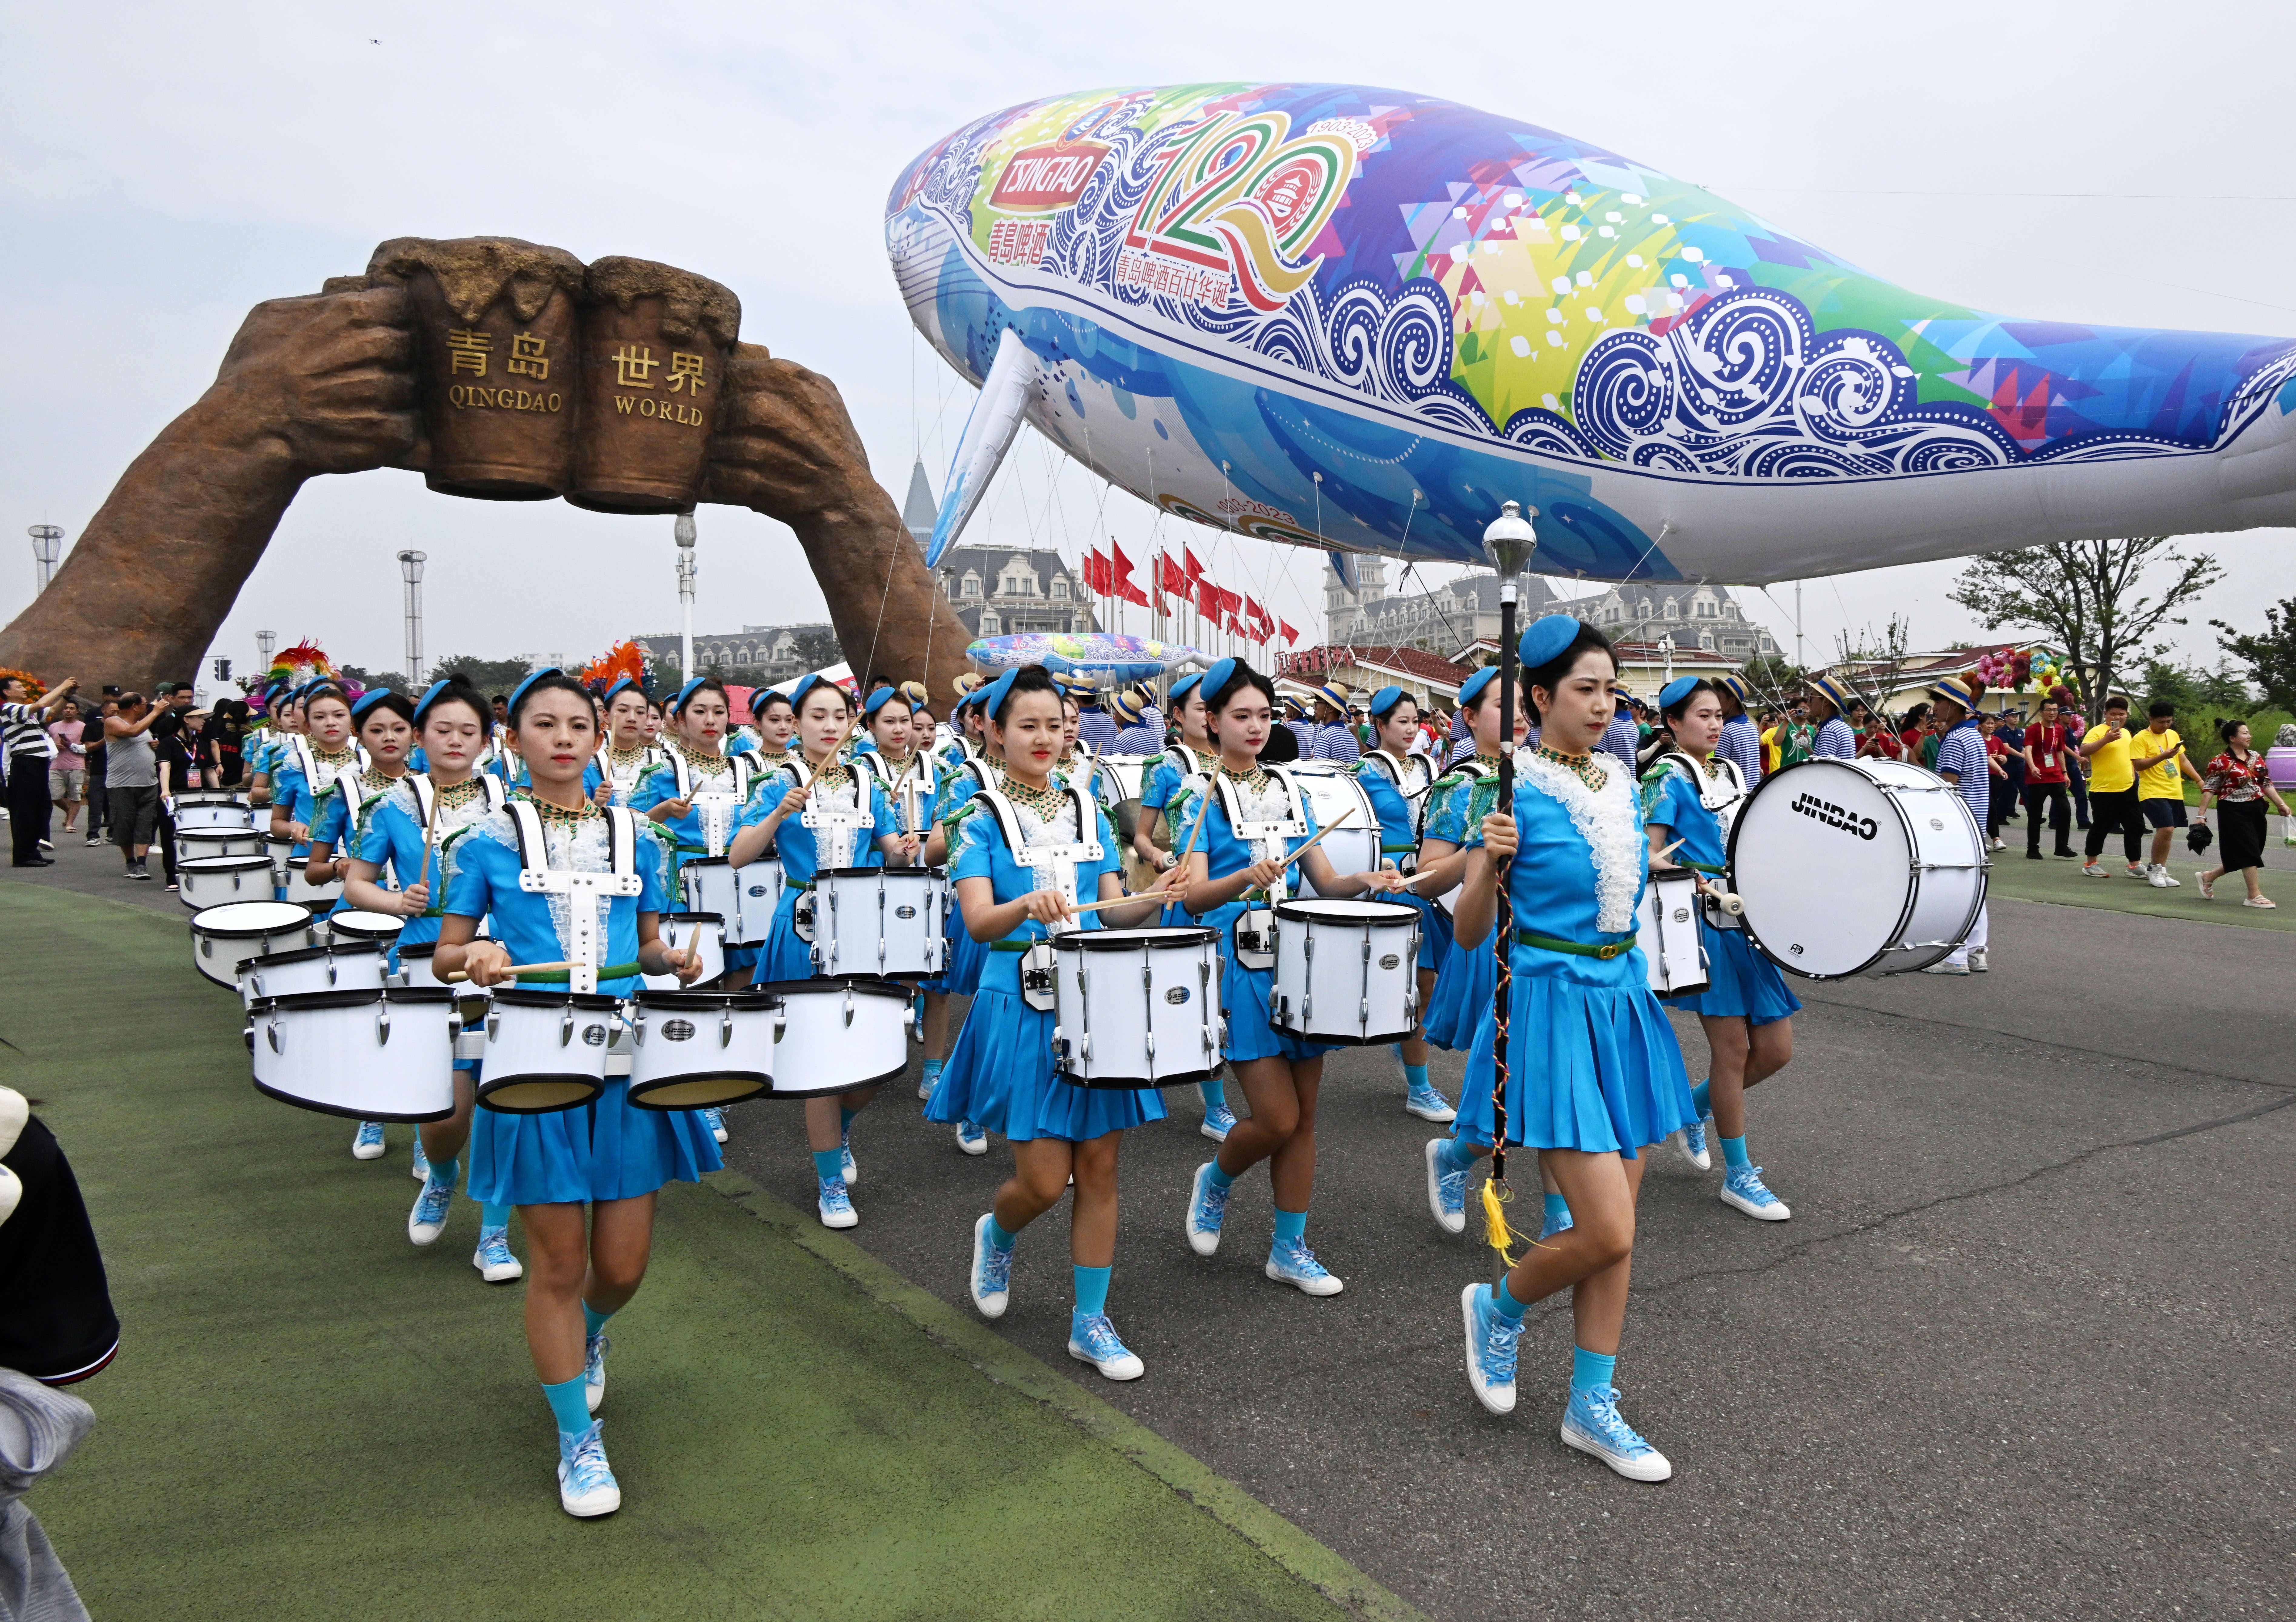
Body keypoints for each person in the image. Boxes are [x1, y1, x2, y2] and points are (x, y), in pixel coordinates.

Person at [435, 669, 712, 1519]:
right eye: (542, 724)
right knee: (557, 1262)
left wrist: (677, 961)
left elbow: (654, 944)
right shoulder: (481, 839)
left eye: (577, 724)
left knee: (622, 1267)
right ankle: (576, 1443)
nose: (562, 737)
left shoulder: (643, 838)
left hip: (628, 1062)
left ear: (599, 738)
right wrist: (476, 955)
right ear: (510, 739)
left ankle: (591, 1333)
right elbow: (448, 955)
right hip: (535, 1061)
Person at [1445, 615, 1695, 1483]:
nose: (1602, 704)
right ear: (1541, 698)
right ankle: (1500, 1307)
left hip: (1622, 1006)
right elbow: (1473, 935)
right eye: (1584, 689)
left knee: (1616, 1238)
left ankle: (1592, 1406)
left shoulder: (1623, 778)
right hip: (1548, 1014)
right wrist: (1485, 863)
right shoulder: (1507, 792)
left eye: (1610, 689)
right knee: (1607, 1226)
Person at [929, 665, 1176, 1378]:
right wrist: (1023, 907)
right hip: (1018, 1001)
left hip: (1092, 997)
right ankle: (999, 1231)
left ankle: (1090, 1322)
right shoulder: (974, 815)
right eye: (1027, 725)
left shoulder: (1087, 807)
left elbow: (1115, 909)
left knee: (1100, 1166)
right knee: (1041, 1181)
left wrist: (1155, 893)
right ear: (993, 730)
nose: (1045, 737)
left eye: (1055, 724)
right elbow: (978, 923)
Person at [1173, 659, 1405, 1296]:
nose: (1253, 727)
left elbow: (1322, 880)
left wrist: (1368, 882)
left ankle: (1289, 1248)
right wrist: (1240, 880)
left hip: (1300, 963)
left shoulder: (1290, 789)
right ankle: (1217, 1178)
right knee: (1274, 1118)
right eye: (1239, 716)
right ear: (1212, 720)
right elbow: (1191, 899)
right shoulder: (1195, 793)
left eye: (1263, 716)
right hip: (1237, 965)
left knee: (1303, 1119)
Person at [726, 675, 906, 1222]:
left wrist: (910, 845)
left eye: (838, 715)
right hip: (800, 926)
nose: (830, 726)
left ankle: (840, 1131)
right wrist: (779, 813)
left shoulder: (866, 782)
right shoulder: (772, 782)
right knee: (819, 1058)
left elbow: (893, 852)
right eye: (817, 716)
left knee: (879, 1057)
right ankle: (830, 1181)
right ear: (796, 723)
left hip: (863, 924)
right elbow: (738, 855)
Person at [342, 680, 514, 1239]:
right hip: (425, 957)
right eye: (443, 730)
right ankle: (441, 1176)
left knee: (508, 1102)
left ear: (486, 740)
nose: (456, 741)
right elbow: (357, 883)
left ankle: (494, 1232)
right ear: (420, 736)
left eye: (470, 731)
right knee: (445, 1108)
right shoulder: (389, 805)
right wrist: (397, 900)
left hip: (507, 959)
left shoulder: (513, 801)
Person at [1640, 678, 1799, 1217]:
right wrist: (1691, 876)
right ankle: (1740, 1176)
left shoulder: (1730, 771)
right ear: (1673, 723)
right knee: (1731, 1053)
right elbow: (1648, 853)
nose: (1715, 724)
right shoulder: (1665, 774)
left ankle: (1691, 1111)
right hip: (1706, 922)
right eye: (1703, 715)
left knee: (1776, 1050)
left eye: (1719, 716)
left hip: (1747, 921)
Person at [1351, 686, 1452, 1123]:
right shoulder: (1361, 773)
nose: (1411, 730)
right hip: (1392, 886)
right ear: (1379, 726)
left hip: (1432, 881)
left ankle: (1407, 1051)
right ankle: (1420, 1088)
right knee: (1421, 987)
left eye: (1415, 721)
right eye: (1401, 722)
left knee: (1431, 985)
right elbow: (1354, 833)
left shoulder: (1431, 766)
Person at [1924, 674, 1992, 973]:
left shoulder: (1954, 739)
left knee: (1956, 889)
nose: (1935, 708)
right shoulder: (1973, 735)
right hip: (1975, 821)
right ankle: (1977, 951)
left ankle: (1953, 958)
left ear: (1953, 706)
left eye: (1938, 702)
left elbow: (1948, 786)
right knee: (1973, 887)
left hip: (1958, 824)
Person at [2195, 718, 2290, 906]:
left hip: (2256, 807)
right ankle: (2254, 895)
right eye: (2245, 733)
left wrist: (2281, 804)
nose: (2249, 736)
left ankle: (2208, 877)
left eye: (2248, 733)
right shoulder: (2220, 762)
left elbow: (2266, 783)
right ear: (2232, 738)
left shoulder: (2256, 757)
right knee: (2248, 851)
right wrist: (2201, 815)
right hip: (2232, 810)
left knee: (2252, 851)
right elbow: (2210, 789)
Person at [4, 674, 76, 867]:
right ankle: (23, 855)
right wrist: (62, 685)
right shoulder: (9, 709)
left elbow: (51, 710)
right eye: (19, 686)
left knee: (41, 808)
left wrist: (67, 697)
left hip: (37, 764)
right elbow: (39, 705)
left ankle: (32, 849)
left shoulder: (27, 713)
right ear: (7, 692)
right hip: (25, 764)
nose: (24, 689)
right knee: (26, 811)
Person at [2131, 700, 2201, 888]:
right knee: (2166, 829)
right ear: (2151, 719)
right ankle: (2154, 869)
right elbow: (2138, 765)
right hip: (2152, 791)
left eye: (2169, 721)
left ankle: (2162, 868)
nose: (2166, 725)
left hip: (2174, 791)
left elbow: (2182, 759)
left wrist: (2199, 780)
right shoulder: (2141, 738)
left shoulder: (2173, 734)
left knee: (2169, 832)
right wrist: (2164, 756)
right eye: (2161, 722)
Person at [2079, 696, 2148, 880]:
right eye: (2113, 714)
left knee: (2136, 826)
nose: (2118, 717)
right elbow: (2084, 751)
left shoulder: (2127, 733)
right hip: (2104, 790)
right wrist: (2106, 739)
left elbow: (2130, 759)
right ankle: (2091, 863)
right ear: (2106, 714)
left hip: (2128, 788)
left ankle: (2134, 865)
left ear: (2127, 715)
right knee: (2101, 827)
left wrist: (2134, 779)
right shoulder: (2098, 731)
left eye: (2122, 714)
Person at [102, 691, 167, 879]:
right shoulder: (113, 722)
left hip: (148, 782)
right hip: (122, 784)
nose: (147, 708)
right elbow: (132, 733)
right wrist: (156, 712)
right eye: (145, 705)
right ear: (134, 707)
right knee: (125, 824)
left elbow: (140, 740)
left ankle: (141, 864)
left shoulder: (143, 725)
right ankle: (130, 862)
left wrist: (155, 745)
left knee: (145, 824)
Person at [2019, 697, 2077, 859]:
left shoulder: (2059, 729)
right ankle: (2033, 849)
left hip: (2056, 776)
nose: (2052, 713)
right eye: (2049, 710)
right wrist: (2033, 767)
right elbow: (2028, 750)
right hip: (2037, 778)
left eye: (2055, 710)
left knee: (2066, 811)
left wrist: (2065, 773)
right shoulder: (2033, 729)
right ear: (2042, 712)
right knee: (2036, 814)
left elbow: (2059, 751)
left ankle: (2062, 847)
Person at [46, 702, 87, 838]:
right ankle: (69, 811)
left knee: (76, 796)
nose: (68, 711)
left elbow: (87, 746)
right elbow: (47, 744)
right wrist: (55, 746)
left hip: (76, 765)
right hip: (56, 765)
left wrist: (71, 745)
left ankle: (70, 823)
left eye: (72, 709)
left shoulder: (83, 727)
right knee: (55, 795)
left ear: (77, 711)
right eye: (66, 708)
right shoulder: (53, 727)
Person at [1714, 675, 1763, 786]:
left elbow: (1719, 771)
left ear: (1732, 701)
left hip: (1736, 796)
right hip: (1752, 795)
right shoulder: (1752, 728)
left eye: (1719, 699)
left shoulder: (1727, 731)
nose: (1716, 704)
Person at [1804, 676, 1857, 760]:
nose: (1808, 703)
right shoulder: (1843, 727)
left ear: (1826, 702)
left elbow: (1824, 768)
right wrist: (1806, 747)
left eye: (1812, 698)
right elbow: (1825, 760)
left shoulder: (1829, 730)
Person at [1306, 684, 1361, 763]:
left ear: (1331, 708)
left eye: (1317, 703)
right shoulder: (1351, 736)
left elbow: (1319, 771)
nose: (1314, 707)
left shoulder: (1325, 737)